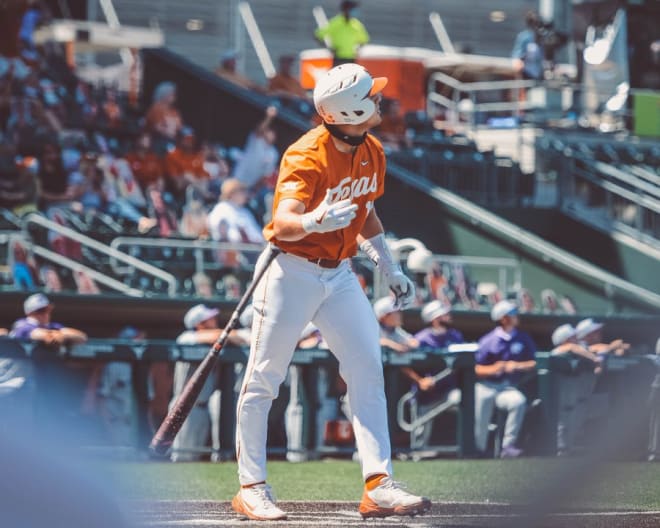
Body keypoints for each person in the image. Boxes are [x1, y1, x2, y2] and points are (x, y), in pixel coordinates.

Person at [232, 63, 429, 521]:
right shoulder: (306, 155)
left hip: (339, 272)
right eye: (371, 97)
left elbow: (367, 213)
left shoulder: (372, 148)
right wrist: (314, 221)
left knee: (367, 367)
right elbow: (282, 223)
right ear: (350, 109)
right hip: (290, 270)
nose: (379, 102)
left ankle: (378, 484)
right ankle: (251, 486)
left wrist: (388, 264)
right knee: (263, 379)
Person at [170, 304, 247, 462]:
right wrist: (229, 335)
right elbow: (218, 336)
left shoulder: (215, 342)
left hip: (202, 407)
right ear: (199, 324)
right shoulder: (186, 337)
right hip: (184, 407)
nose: (214, 319)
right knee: (182, 457)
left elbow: (236, 338)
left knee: (196, 455)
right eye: (209, 318)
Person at [474, 300, 536, 458]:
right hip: (487, 385)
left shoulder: (523, 338)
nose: (516, 317)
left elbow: (534, 362)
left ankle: (508, 446)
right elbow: (476, 369)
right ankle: (478, 449)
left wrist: (516, 366)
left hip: (507, 387)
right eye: (512, 314)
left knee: (518, 401)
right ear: (503, 318)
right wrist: (495, 368)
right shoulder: (488, 340)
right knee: (482, 403)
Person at [550, 324, 602, 456]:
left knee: (575, 415)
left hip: (573, 394)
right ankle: (560, 448)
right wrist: (594, 358)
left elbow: (592, 348)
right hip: (559, 393)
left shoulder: (580, 349)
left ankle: (568, 447)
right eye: (573, 337)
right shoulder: (558, 351)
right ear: (565, 339)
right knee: (564, 417)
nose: (577, 339)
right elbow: (571, 347)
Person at [231, 106, 279, 190]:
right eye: (268, 131)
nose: (269, 134)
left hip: (250, 184)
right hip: (238, 176)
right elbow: (259, 130)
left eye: (272, 133)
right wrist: (269, 117)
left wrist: (255, 189)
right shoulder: (257, 140)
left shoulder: (273, 153)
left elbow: (266, 174)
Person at [315, 1, 370, 66]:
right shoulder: (335, 22)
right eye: (353, 8)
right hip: (338, 59)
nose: (354, 11)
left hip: (352, 59)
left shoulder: (356, 24)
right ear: (345, 9)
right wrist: (329, 48)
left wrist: (358, 49)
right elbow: (318, 35)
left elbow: (365, 39)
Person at [511, 10, 544, 81]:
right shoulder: (524, 37)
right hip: (527, 74)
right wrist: (518, 63)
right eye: (534, 23)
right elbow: (517, 55)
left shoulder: (542, 37)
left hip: (540, 74)